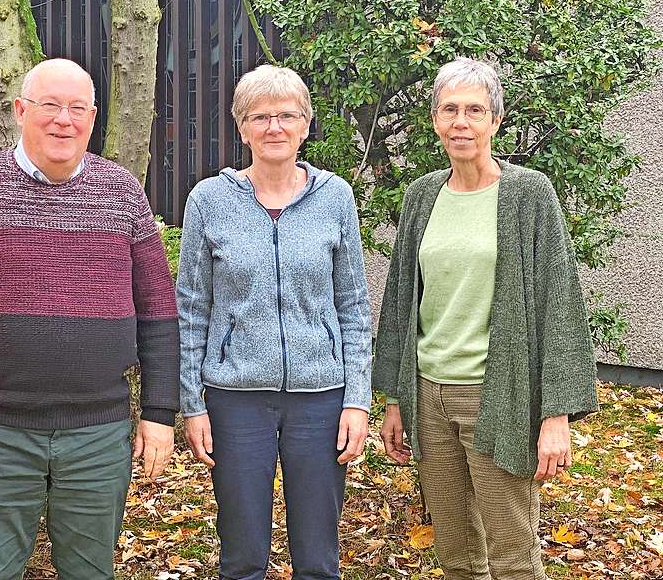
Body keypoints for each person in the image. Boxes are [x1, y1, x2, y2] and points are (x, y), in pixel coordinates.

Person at [0, 58, 180, 580]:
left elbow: (159, 314)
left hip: (97, 432)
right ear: (20, 111)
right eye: (50, 105)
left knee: (91, 571)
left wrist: (159, 412)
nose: (63, 120)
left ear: (93, 117)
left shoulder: (122, 193)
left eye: (77, 108)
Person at [373, 57, 599, 580]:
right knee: (454, 553)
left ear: (495, 121)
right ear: (434, 120)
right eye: (450, 110)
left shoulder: (529, 194)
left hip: (500, 394)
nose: (462, 123)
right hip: (429, 393)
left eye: (475, 110)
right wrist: (395, 399)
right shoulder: (422, 197)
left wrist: (556, 415)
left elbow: (560, 302)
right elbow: (402, 298)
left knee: (512, 552)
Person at [177, 64, 373, 580]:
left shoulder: (335, 198)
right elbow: (192, 308)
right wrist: (193, 404)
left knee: (317, 556)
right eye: (260, 117)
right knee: (242, 554)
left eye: (287, 115)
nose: (274, 127)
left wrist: (357, 399)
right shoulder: (209, 201)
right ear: (242, 128)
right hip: (236, 399)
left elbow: (353, 306)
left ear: (305, 125)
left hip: (321, 397)